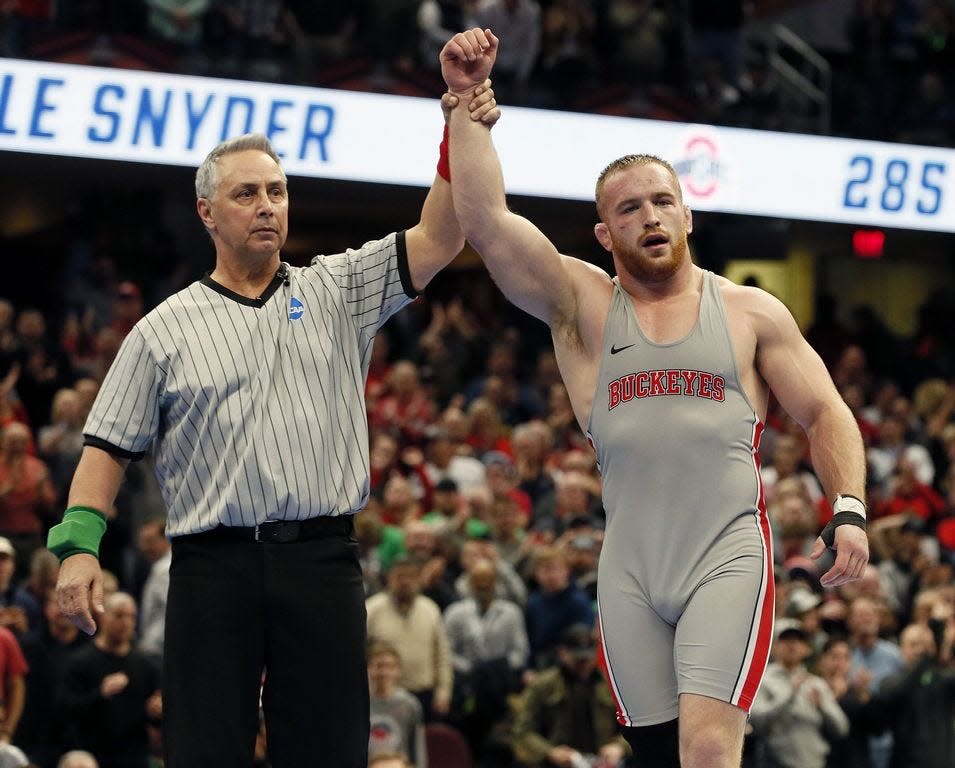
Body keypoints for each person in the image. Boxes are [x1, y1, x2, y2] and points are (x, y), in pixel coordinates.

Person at [47, 39, 502, 768]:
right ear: (206, 212)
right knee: (206, 752)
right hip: (210, 566)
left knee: (325, 750)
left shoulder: (338, 288)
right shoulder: (163, 328)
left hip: (321, 559)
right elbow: (105, 447)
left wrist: (457, 119)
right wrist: (76, 551)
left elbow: (443, 234)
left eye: (277, 191)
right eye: (247, 194)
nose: (267, 206)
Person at [440, 28, 870, 768]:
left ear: (687, 215)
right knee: (655, 754)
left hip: (725, 555)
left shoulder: (748, 313)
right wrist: (464, 107)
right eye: (630, 208)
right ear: (604, 233)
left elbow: (826, 411)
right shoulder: (581, 305)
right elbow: (484, 223)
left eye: (662, 201)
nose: (649, 216)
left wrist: (850, 509)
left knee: (707, 749)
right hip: (630, 566)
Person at [58, 592, 160, 768]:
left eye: (131, 617)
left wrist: (155, 712)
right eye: (119, 615)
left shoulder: (145, 665)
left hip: (134, 758)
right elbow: (64, 711)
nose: (126, 622)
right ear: (104, 617)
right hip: (93, 756)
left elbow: (152, 718)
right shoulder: (80, 662)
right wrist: (100, 694)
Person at [748, 620, 849, 768]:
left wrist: (822, 707)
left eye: (798, 640)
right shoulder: (762, 679)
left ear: (807, 649)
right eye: (785, 640)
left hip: (815, 763)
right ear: (775, 646)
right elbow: (758, 723)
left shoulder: (816, 684)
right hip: (774, 763)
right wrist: (789, 695)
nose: (792, 644)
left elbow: (841, 729)